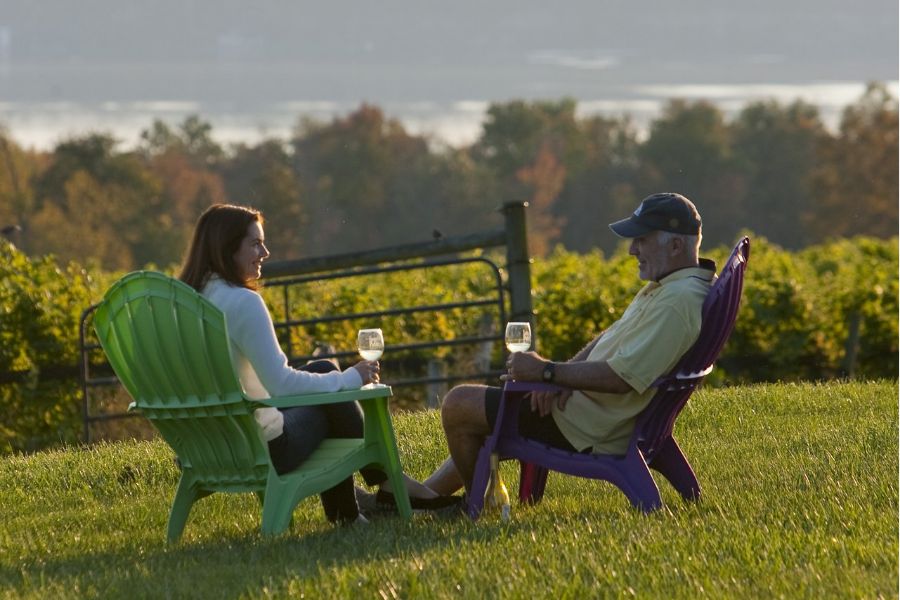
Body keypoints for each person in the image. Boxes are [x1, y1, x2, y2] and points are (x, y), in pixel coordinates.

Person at [179, 203, 460, 525]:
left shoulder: (180, 303)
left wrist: (336, 377)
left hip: (200, 447)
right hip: (260, 450)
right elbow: (282, 386)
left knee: (322, 369)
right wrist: (351, 378)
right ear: (226, 247)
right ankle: (385, 491)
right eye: (255, 243)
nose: (265, 252)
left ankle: (358, 508)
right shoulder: (241, 301)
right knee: (331, 391)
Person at [423, 193, 718, 497]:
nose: (632, 249)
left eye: (641, 239)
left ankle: (476, 505)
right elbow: (609, 338)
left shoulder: (675, 303)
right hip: (581, 408)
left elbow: (621, 379)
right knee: (478, 412)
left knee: (459, 404)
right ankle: (423, 496)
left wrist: (547, 374)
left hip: (583, 426)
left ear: (676, 245)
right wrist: (561, 376)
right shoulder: (671, 286)